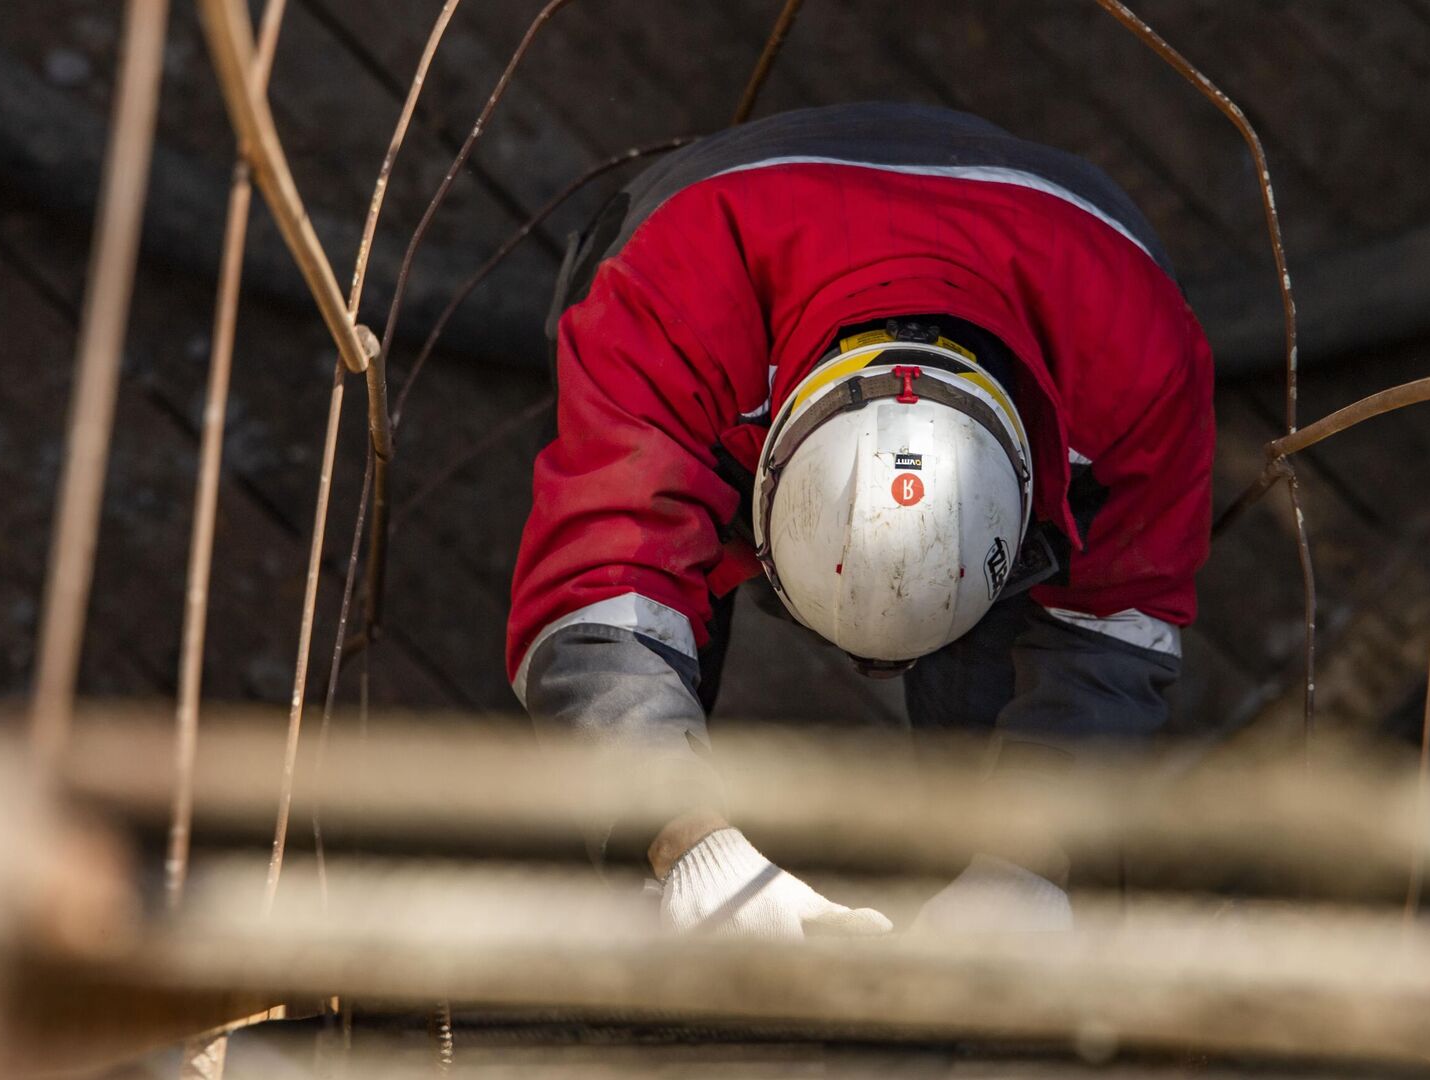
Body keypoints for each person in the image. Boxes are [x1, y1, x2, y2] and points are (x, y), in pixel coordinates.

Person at [506, 103, 1214, 939]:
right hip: (700, 242)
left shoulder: (1140, 364)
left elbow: (1114, 627)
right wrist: (688, 846)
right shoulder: (670, 299)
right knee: (626, 741)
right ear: (759, 464)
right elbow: (598, 593)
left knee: (1002, 760)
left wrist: (1031, 864)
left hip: (1066, 271)